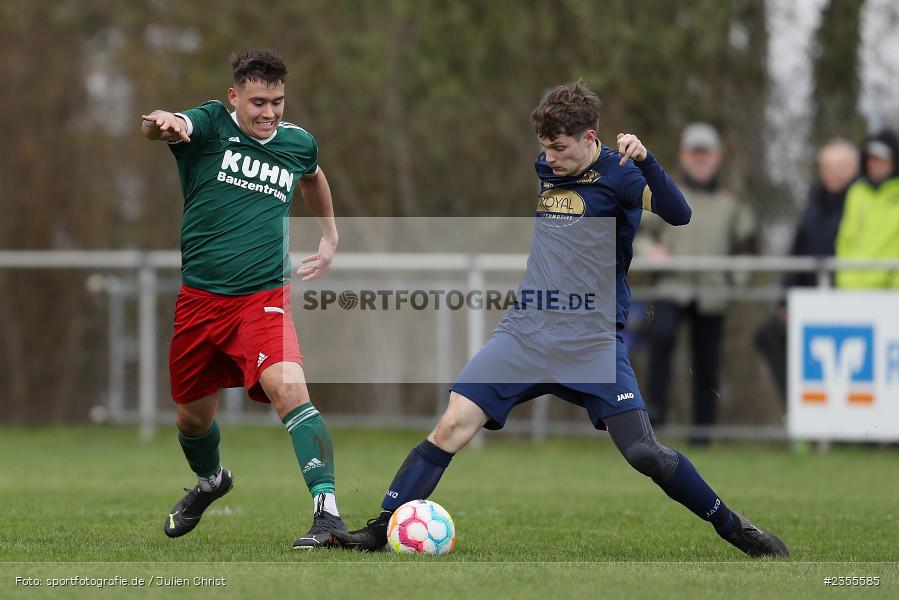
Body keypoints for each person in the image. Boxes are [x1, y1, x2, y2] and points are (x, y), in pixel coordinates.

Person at [328, 82, 788, 557]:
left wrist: (648, 159)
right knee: (452, 425)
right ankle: (381, 530)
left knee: (645, 454)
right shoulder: (548, 165)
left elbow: (680, 213)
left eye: (560, 148)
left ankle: (736, 528)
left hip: (591, 342)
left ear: (591, 138)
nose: (549, 159)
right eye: (544, 147)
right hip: (526, 332)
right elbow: (559, 113)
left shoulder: (623, 176)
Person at [140, 49, 344, 549]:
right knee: (191, 419)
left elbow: (313, 176)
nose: (268, 112)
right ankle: (211, 482)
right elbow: (166, 128)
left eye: (276, 101)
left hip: (263, 298)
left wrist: (330, 237)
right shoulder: (209, 124)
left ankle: (327, 512)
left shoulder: (297, 143)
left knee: (289, 388)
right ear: (235, 97)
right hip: (199, 303)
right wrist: (163, 123)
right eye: (257, 101)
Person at [637, 122, 756, 444]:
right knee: (661, 340)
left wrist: (734, 282)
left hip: (713, 292)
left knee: (707, 362)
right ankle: (654, 417)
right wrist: (651, 252)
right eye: (695, 153)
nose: (701, 160)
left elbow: (747, 247)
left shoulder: (732, 201)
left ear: (717, 157)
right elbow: (639, 232)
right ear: (684, 156)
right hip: (672, 287)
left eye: (706, 153)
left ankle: (703, 432)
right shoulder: (665, 190)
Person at [755, 139, 859, 402]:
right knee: (770, 337)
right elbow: (798, 252)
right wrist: (785, 301)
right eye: (828, 166)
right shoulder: (813, 203)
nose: (834, 172)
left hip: (844, 296)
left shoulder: (861, 203)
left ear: (855, 169)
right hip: (809, 296)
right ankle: (798, 410)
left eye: (842, 166)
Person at [835, 130, 899, 289]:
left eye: (881, 159)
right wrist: (845, 279)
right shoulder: (856, 192)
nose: (875, 164)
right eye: (871, 158)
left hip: (891, 291)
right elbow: (845, 239)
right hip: (854, 289)